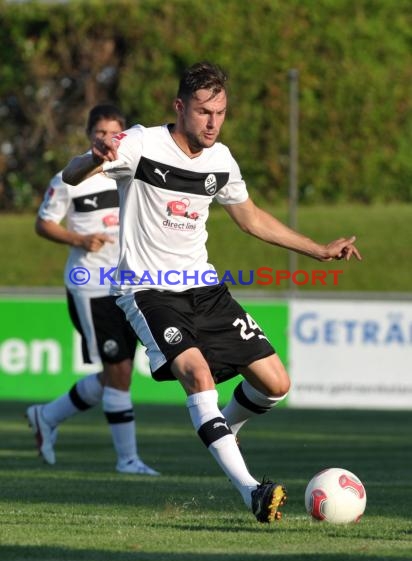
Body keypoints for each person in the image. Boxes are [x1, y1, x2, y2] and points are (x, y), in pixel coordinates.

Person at [62, 63, 361, 523]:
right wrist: (94, 156)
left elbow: (252, 218)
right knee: (197, 376)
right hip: (149, 291)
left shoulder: (221, 159)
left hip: (205, 289)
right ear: (180, 107)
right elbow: (71, 176)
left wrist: (319, 250)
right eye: (204, 111)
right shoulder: (141, 144)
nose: (213, 122)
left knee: (276, 383)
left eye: (220, 112)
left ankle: (223, 428)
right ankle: (252, 491)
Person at [27, 104, 159, 476]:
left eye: (113, 133)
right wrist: (79, 239)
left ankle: (46, 416)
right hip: (90, 285)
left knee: (116, 375)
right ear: (90, 135)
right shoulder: (68, 178)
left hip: (127, 286)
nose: (106, 140)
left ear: (124, 137)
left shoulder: (130, 174)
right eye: (100, 133)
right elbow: (43, 224)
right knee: (117, 372)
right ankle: (128, 460)